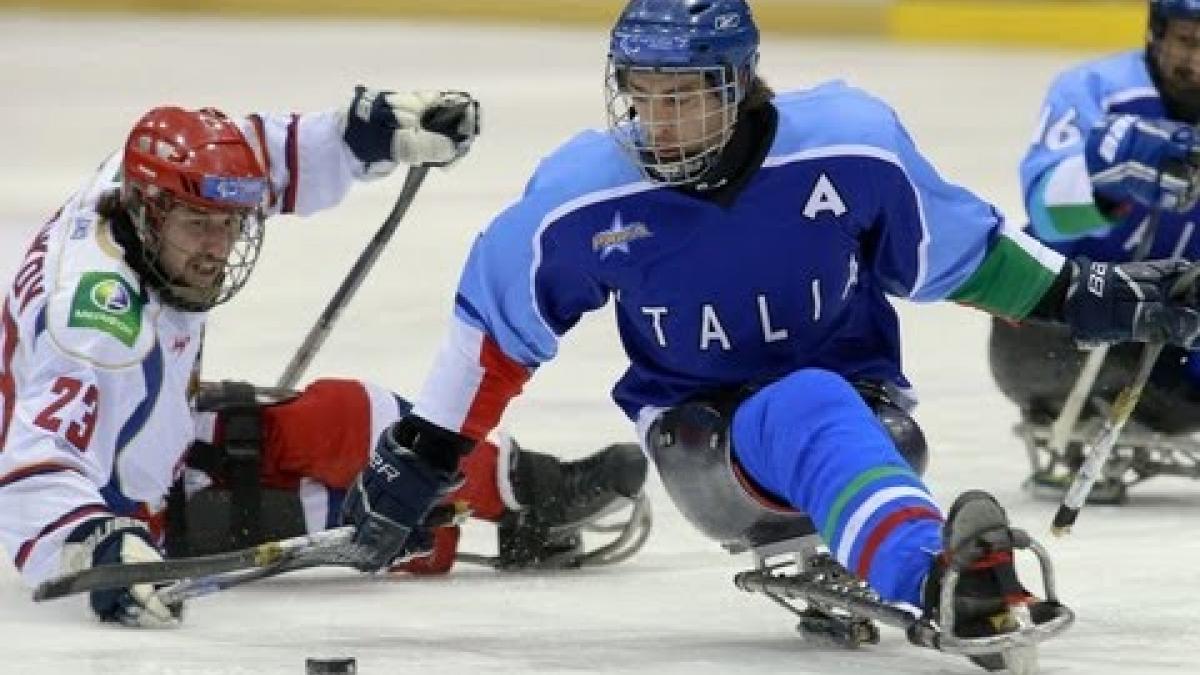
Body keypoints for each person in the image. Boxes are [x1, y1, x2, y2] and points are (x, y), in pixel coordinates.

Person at [338, 0, 1200, 667]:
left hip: (872, 415)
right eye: (642, 94)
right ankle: (936, 579)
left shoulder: (852, 144)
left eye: (684, 96)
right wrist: (421, 452)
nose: (659, 121)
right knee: (808, 401)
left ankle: (904, 542)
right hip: (700, 438)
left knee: (825, 404)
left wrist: (1095, 293)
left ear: (740, 83)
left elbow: (960, 252)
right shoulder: (582, 193)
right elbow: (493, 326)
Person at [0, 89, 648, 628]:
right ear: (150, 211)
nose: (217, 248)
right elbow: (30, 471)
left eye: (229, 225)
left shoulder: (132, 183)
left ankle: (525, 485)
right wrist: (102, 546)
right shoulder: (97, 331)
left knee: (354, 414)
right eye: (200, 225)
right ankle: (466, 527)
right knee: (374, 518)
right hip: (135, 513)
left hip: (162, 430)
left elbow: (257, 154)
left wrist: (365, 134)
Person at [988, 0, 1200, 503]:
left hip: (1179, 346)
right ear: (1155, 33)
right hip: (1057, 332)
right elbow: (1044, 210)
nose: (1197, 63)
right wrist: (1109, 183)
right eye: (1188, 41)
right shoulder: (1094, 91)